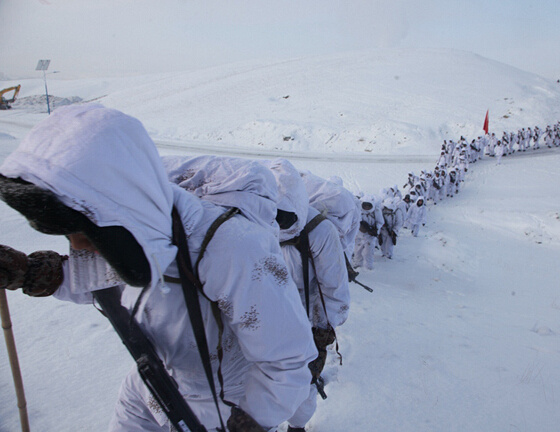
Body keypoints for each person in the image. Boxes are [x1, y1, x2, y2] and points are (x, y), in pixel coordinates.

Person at [0, 105, 317, 431]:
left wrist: (250, 421)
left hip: (224, 405)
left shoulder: (231, 248)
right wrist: (30, 272)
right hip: (150, 383)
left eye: (81, 230)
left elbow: (287, 362)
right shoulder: (124, 233)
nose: (78, 246)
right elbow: (104, 286)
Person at [266, 159, 350, 432]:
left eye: (283, 215)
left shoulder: (319, 231)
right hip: (269, 317)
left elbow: (334, 287)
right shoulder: (258, 224)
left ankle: (297, 425)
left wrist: (324, 328)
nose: (277, 222)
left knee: (303, 379)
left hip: (308, 318)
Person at [352, 195, 383, 270]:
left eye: (369, 205)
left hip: (370, 236)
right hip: (359, 235)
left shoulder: (376, 211)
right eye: (365, 205)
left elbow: (380, 222)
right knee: (357, 251)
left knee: (368, 253)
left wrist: (376, 230)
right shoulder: (358, 211)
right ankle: (357, 264)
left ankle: (368, 267)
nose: (366, 207)